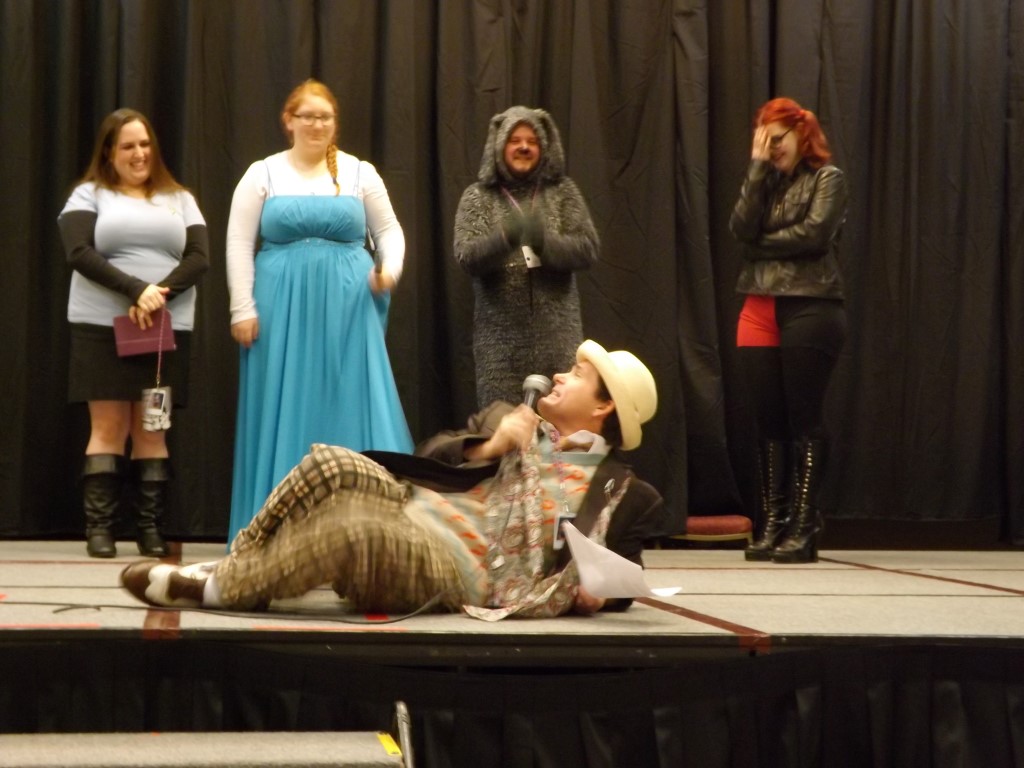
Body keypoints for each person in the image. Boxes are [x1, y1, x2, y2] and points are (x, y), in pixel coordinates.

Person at [120, 340, 665, 619]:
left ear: (603, 408)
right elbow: (427, 454)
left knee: (354, 526)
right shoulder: (511, 418)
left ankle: (217, 589)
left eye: (578, 375)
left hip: (452, 567)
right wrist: (492, 444)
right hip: (410, 503)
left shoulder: (626, 493)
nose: (561, 374)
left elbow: (628, 580)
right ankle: (242, 566)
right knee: (329, 462)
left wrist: (600, 597)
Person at [225, 79, 413, 545]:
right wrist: (242, 307)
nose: (316, 124)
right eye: (307, 116)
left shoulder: (359, 173)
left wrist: (389, 270)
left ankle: (365, 533)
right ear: (288, 121)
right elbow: (238, 243)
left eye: (324, 117)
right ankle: (275, 533)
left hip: (348, 312)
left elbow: (389, 231)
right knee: (283, 403)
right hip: (279, 310)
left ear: (335, 123)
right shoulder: (262, 173)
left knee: (349, 400)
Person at [58, 108, 210, 558]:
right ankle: (100, 529)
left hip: (164, 329)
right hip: (100, 326)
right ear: (109, 152)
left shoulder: (179, 198)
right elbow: (78, 251)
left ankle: (150, 530)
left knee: (151, 428)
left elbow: (199, 257)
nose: (139, 153)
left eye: (145, 144)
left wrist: (158, 295)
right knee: (107, 427)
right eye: (128, 146)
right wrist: (135, 289)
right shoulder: (88, 194)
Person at [728, 97, 848, 564]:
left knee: (804, 419)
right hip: (758, 305)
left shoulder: (827, 179)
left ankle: (804, 525)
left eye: (777, 139)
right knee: (768, 421)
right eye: (763, 141)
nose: (771, 148)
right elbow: (740, 227)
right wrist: (757, 169)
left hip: (811, 304)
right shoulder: (764, 181)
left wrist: (758, 245)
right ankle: (773, 522)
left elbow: (814, 235)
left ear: (802, 134)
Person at [454, 106, 600, 408]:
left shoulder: (563, 192)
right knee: (502, 427)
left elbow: (587, 249)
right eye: (515, 140)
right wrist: (504, 238)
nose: (524, 147)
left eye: (532, 141)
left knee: (561, 426)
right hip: (499, 349)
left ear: (544, 147)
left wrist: (544, 243)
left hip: (558, 340)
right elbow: (466, 256)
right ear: (499, 146)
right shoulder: (477, 196)